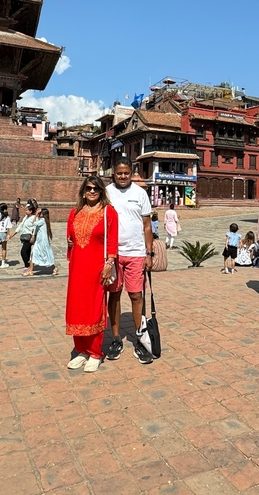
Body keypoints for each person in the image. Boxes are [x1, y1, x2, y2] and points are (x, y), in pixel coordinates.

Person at [66, 176, 118, 373]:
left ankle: (95, 352)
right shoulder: (74, 213)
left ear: (101, 191)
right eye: (88, 188)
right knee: (76, 307)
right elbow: (70, 238)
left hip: (97, 268)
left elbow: (112, 240)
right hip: (77, 268)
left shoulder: (108, 212)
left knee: (94, 308)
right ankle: (81, 350)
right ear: (83, 191)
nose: (92, 191)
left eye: (96, 188)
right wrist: (70, 242)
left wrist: (109, 263)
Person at [104, 159, 154, 365]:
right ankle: (116, 338)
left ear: (131, 173)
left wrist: (149, 253)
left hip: (136, 252)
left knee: (136, 295)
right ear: (114, 174)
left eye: (126, 173)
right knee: (114, 294)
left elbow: (147, 226)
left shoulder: (140, 193)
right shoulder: (106, 192)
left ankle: (140, 339)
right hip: (113, 254)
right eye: (119, 173)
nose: (123, 176)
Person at [11, 202, 37, 273]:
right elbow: (21, 225)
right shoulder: (26, 217)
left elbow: (35, 228)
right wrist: (13, 234)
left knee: (23, 251)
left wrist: (33, 236)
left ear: (31, 211)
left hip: (29, 236)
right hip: (24, 235)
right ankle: (29, 265)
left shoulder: (34, 218)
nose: (25, 211)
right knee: (27, 251)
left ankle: (27, 265)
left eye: (27, 210)